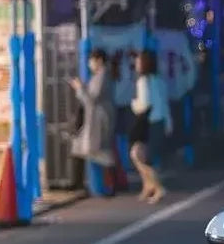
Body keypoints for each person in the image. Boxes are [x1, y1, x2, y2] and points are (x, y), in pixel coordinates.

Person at [69, 48, 118, 190]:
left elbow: (91, 99)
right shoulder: (101, 76)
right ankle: (82, 183)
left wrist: (79, 88)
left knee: (99, 152)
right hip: (96, 120)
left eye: (91, 61)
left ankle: (109, 185)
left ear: (99, 61)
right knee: (83, 148)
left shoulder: (101, 76)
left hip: (98, 121)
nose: (89, 64)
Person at [130, 49, 172, 203]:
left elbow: (144, 104)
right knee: (141, 155)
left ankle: (158, 187)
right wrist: (168, 122)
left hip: (148, 123)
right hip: (159, 121)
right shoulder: (158, 80)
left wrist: (134, 104)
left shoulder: (143, 81)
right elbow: (164, 103)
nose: (136, 64)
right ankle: (148, 186)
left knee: (140, 156)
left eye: (138, 61)